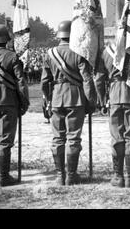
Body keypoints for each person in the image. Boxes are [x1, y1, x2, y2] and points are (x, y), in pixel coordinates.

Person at [40, 20, 96, 186]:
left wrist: (48, 99)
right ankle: (71, 175)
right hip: (75, 98)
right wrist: (90, 101)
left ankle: (60, 176)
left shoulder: (50, 54)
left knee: (58, 138)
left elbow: (44, 82)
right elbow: (87, 79)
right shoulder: (78, 53)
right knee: (73, 138)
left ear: (59, 35)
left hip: (57, 98)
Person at [95, 41, 130, 188]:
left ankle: (118, 176)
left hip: (114, 96)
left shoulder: (106, 52)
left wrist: (102, 101)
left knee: (116, 137)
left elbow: (99, 80)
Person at [0, 25, 30, 187]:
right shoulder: (12, 57)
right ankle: (3, 177)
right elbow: (21, 82)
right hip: (7, 100)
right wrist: (24, 102)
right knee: (5, 141)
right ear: (6, 39)